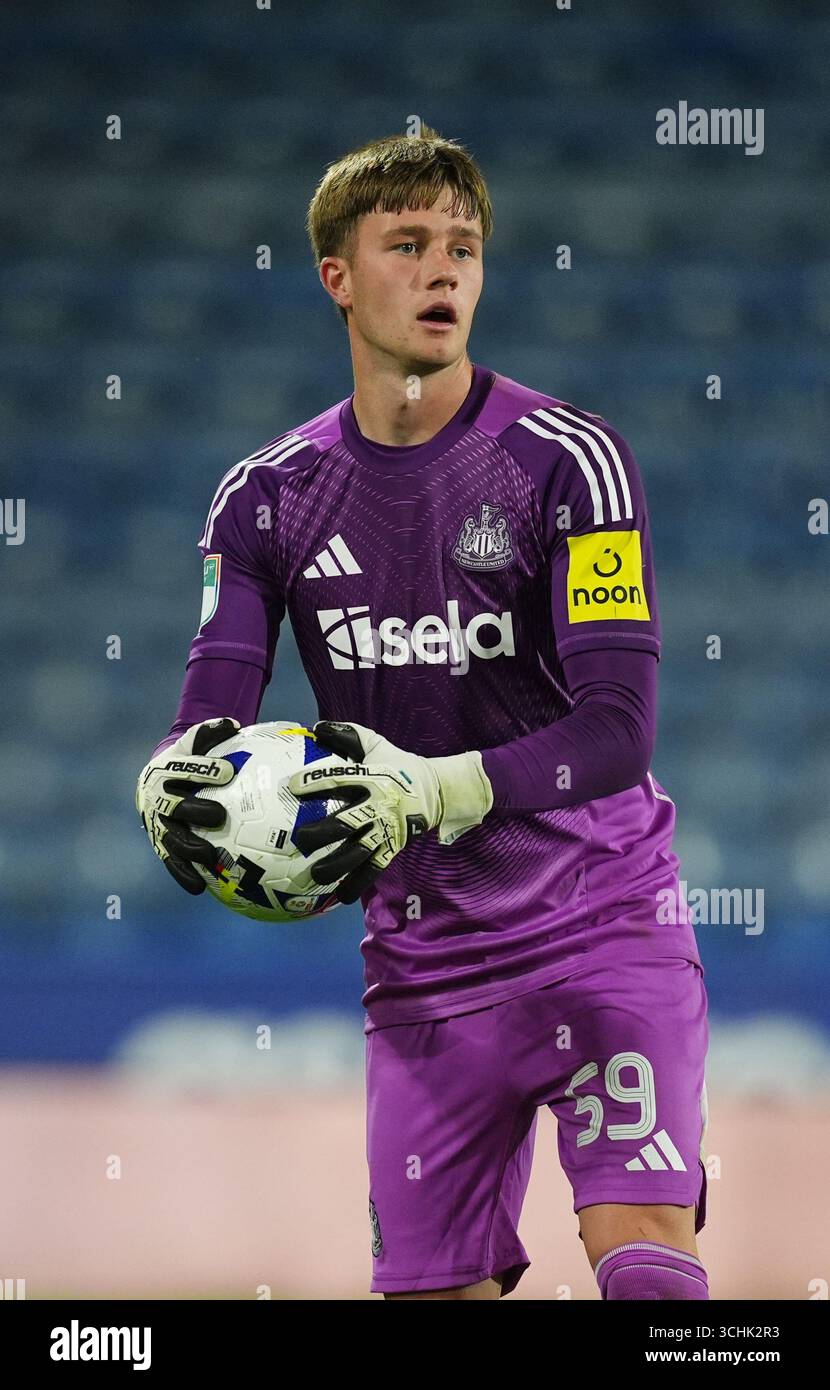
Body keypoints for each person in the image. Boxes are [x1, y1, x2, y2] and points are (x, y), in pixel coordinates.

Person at [136, 125, 709, 1301]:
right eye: (407, 244)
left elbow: (618, 728)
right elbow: (214, 711)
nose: (444, 270)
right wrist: (170, 776)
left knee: (643, 1250)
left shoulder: (568, 461)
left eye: (463, 246)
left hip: (598, 924)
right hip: (426, 966)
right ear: (336, 278)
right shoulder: (263, 498)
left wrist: (439, 786)